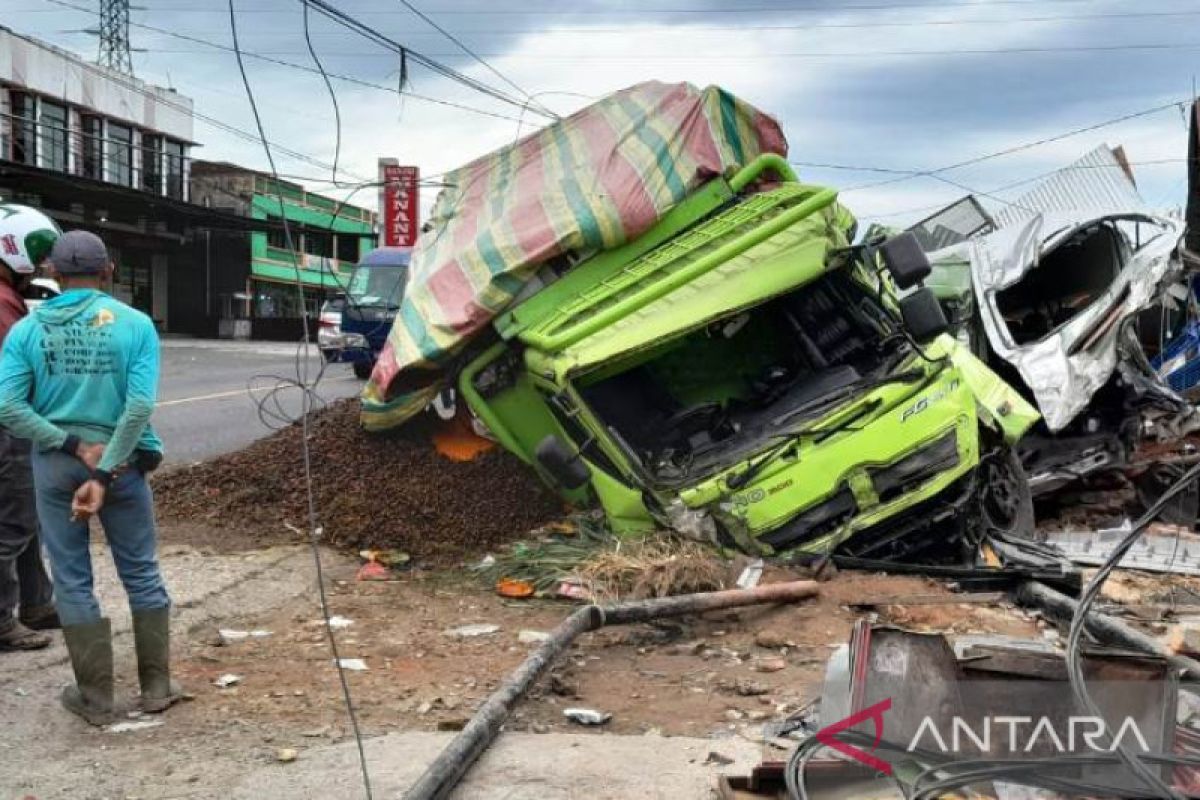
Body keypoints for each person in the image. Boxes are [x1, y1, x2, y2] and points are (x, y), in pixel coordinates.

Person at [0, 229, 179, 726]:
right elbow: (140, 405)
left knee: (73, 578)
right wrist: (103, 466)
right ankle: (157, 686)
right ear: (109, 272)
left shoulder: (27, 332)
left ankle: (95, 697)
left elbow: (8, 406)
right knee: (141, 571)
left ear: (52, 274)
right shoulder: (136, 325)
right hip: (121, 462)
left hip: (56, 464)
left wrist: (72, 446)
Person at [0, 203, 62, 652]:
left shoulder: (9, 297)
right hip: (10, 424)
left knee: (29, 517)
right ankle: (2, 621)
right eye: (38, 258)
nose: (40, 269)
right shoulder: (3, 303)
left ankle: (37, 604)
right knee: (13, 522)